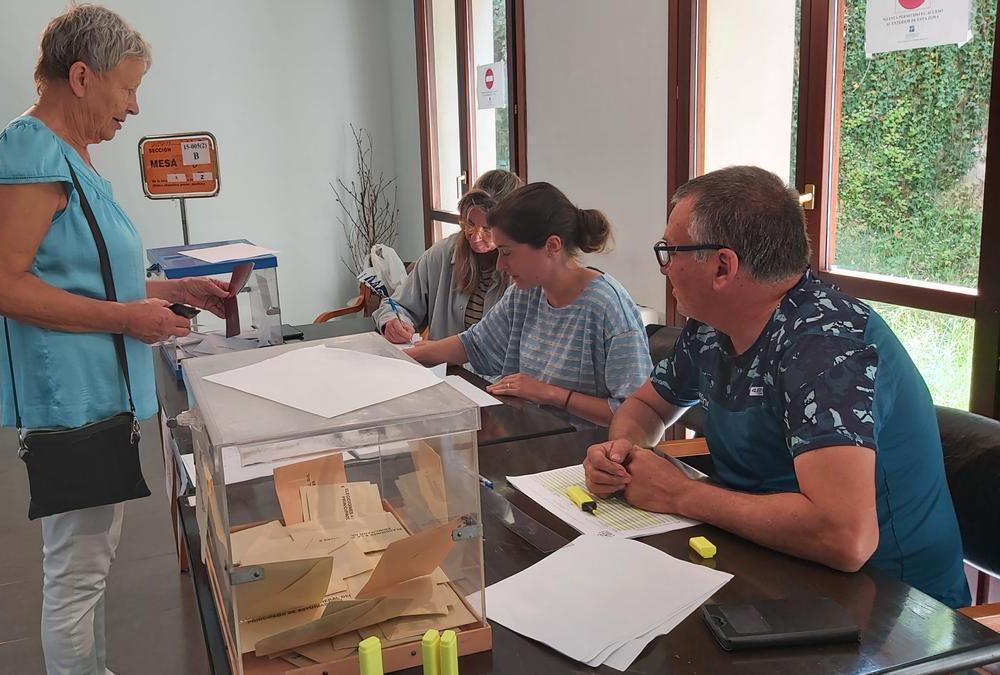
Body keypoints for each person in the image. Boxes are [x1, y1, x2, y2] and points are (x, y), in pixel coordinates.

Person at [0, 6, 228, 673]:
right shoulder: (31, 150)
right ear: (82, 77)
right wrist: (128, 319)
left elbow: (83, 273)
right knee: (77, 572)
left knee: (90, 563)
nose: (135, 107)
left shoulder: (69, 155)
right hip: (73, 400)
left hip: (98, 394)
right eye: (127, 87)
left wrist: (165, 293)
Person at [583, 165, 971, 608]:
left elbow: (846, 538)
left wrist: (680, 492)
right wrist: (624, 454)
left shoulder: (825, 346)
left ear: (723, 266)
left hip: (893, 608)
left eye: (671, 251)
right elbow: (647, 408)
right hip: (770, 567)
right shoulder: (713, 327)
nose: (666, 267)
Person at [407, 182, 652, 428]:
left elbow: (636, 416)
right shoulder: (525, 294)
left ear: (552, 247)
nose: (500, 265)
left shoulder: (607, 308)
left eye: (507, 252)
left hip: (582, 454)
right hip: (530, 436)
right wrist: (404, 357)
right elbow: (473, 345)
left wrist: (550, 393)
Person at [374, 169, 523, 343]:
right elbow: (397, 305)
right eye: (470, 223)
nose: (474, 236)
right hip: (443, 368)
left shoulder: (524, 271)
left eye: (487, 228)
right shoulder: (442, 254)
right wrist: (393, 322)